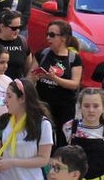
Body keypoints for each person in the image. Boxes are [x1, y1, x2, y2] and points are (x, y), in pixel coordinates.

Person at [34, 19, 84, 147]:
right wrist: (35, 77)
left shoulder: (74, 58)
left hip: (64, 107)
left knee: (63, 140)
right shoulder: (42, 54)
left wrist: (54, 78)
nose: (48, 38)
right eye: (47, 34)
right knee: (42, 138)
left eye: (52, 35)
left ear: (63, 38)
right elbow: (30, 75)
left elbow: (74, 84)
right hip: (43, 104)